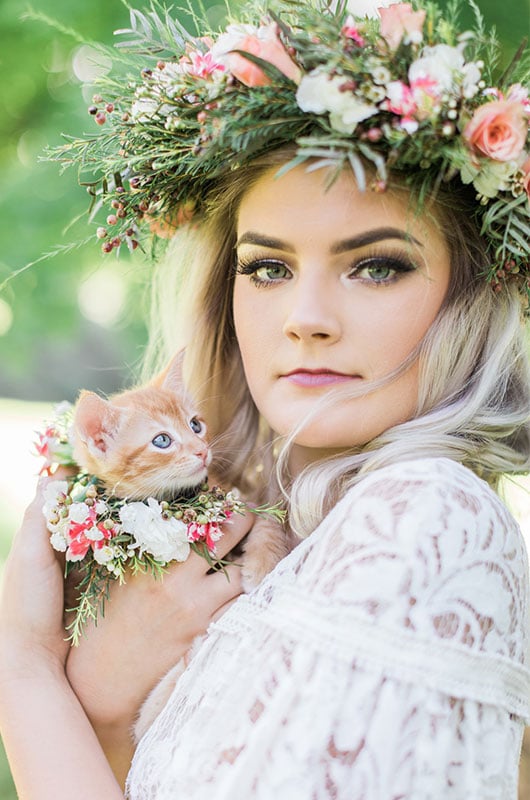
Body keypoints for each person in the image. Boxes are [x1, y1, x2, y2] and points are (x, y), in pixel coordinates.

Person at [1, 0, 529, 797]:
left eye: (377, 264)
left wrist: (26, 670)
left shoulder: (426, 516)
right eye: (269, 268)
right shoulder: (275, 538)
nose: (306, 320)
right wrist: (108, 718)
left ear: (466, 296)